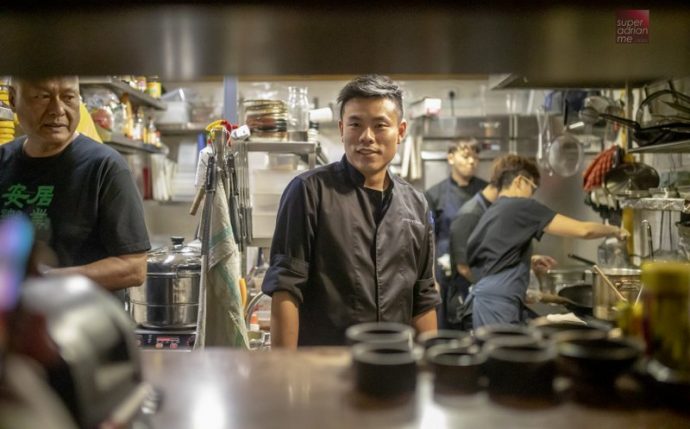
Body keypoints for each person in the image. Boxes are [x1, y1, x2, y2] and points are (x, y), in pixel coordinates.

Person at [262, 74, 439, 348]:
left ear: (401, 131)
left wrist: (433, 371)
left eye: (380, 125)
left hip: (394, 367)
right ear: (342, 128)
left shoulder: (416, 205)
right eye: (356, 124)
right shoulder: (309, 192)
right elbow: (286, 287)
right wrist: (285, 373)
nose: (367, 137)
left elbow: (424, 296)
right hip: (325, 369)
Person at [0, 76, 150, 299]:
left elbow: (134, 268)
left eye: (69, 97)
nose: (57, 110)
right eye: (42, 97)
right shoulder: (3, 160)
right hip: (16, 328)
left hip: (83, 327)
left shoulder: (104, 166)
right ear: (13, 99)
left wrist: (43, 280)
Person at [466, 154, 628, 328]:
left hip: (484, 302)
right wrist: (616, 230)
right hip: (499, 305)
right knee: (505, 352)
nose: (532, 196)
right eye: (533, 189)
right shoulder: (521, 206)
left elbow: (487, 259)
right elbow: (584, 230)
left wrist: (526, 262)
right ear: (520, 181)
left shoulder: (494, 210)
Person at [424, 138, 487, 328]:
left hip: (478, 267)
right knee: (446, 325)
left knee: (477, 324)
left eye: (476, 158)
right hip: (445, 271)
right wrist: (431, 279)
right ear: (450, 158)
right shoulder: (435, 194)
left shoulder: (485, 191)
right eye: (466, 156)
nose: (471, 162)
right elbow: (428, 239)